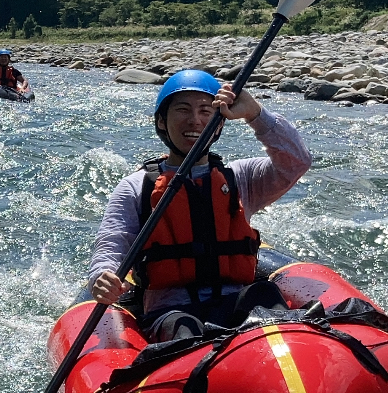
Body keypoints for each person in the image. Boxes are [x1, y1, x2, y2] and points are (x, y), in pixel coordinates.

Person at [88, 69, 311, 343]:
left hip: (236, 304)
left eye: (206, 111)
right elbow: (112, 245)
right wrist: (103, 276)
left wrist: (256, 114)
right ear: (161, 122)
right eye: (183, 110)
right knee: (183, 327)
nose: (195, 120)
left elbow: (297, 161)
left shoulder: (241, 177)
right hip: (170, 312)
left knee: (263, 294)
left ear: (219, 124)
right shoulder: (136, 187)